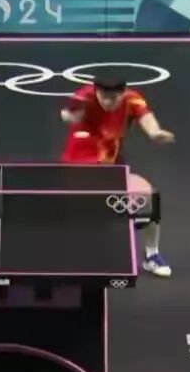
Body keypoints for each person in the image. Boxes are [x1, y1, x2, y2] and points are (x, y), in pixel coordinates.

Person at [60, 74, 175, 277]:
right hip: (79, 165)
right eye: (103, 97)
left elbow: (145, 116)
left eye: (113, 98)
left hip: (111, 165)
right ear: (96, 91)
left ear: (123, 93)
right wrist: (70, 116)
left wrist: (155, 132)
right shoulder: (84, 96)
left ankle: (151, 255)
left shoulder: (132, 99)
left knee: (150, 199)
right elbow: (68, 115)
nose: (108, 102)